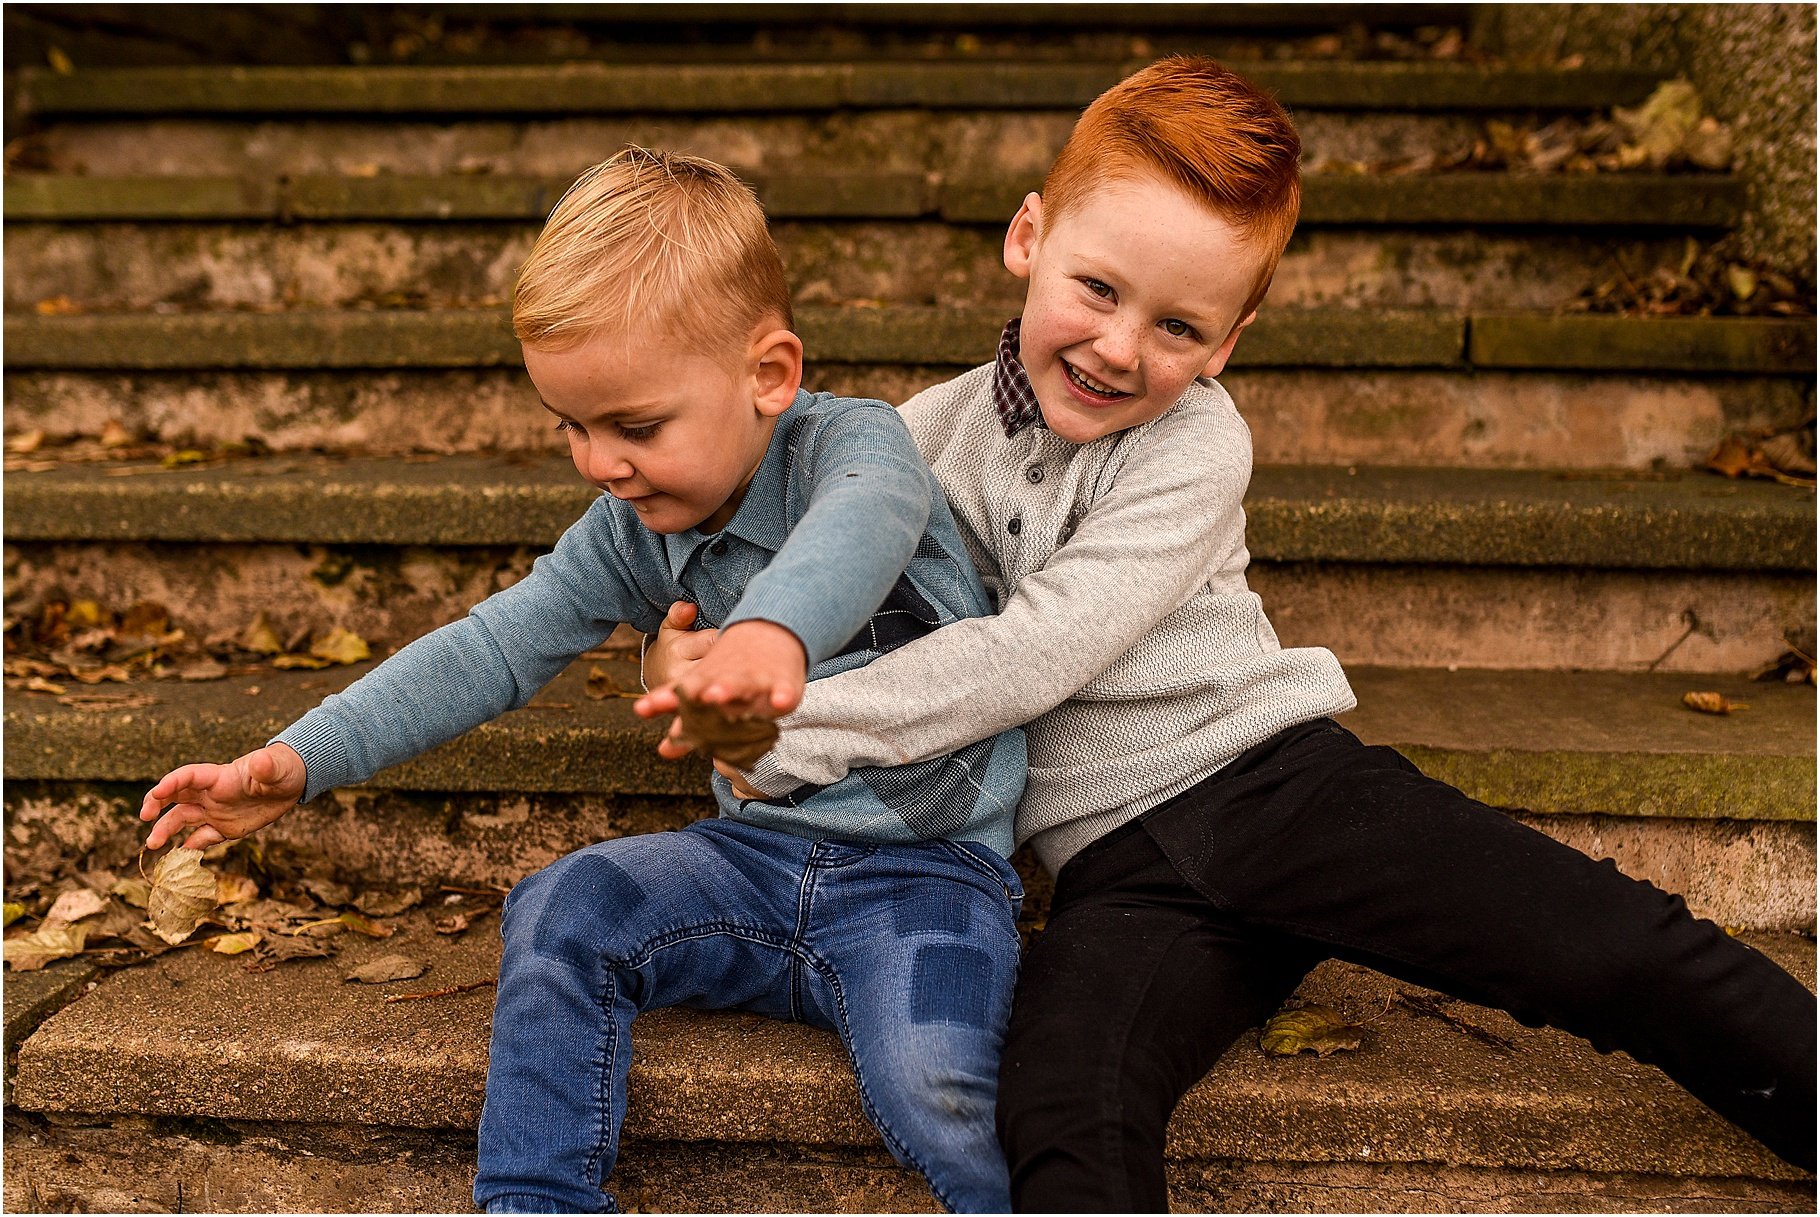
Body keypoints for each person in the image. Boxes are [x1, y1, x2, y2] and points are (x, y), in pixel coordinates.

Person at [636, 57, 1817, 1210]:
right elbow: (786, 585)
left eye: (1175, 326)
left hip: (1282, 794)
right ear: (1026, 237)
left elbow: (1032, 652)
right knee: (1061, 1107)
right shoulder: (909, 444)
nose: (1117, 348)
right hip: (1115, 868)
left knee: (1612, 946)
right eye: (1096, 289)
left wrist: (787, 723)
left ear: (1227, 341)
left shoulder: (1195, 443)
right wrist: (699, 659)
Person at [136, 147, 1028, 1214]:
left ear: (768, 375)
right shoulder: (625, 530)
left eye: (635, 427)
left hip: (926, 876)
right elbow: (489, 647)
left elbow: (861, 525)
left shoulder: (855, 443)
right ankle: (534, 1199)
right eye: (571, 426)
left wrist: (769, 638)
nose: (600, 461)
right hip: (747, 860)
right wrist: (296, 759)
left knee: (936, 1077)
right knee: (560, 901)